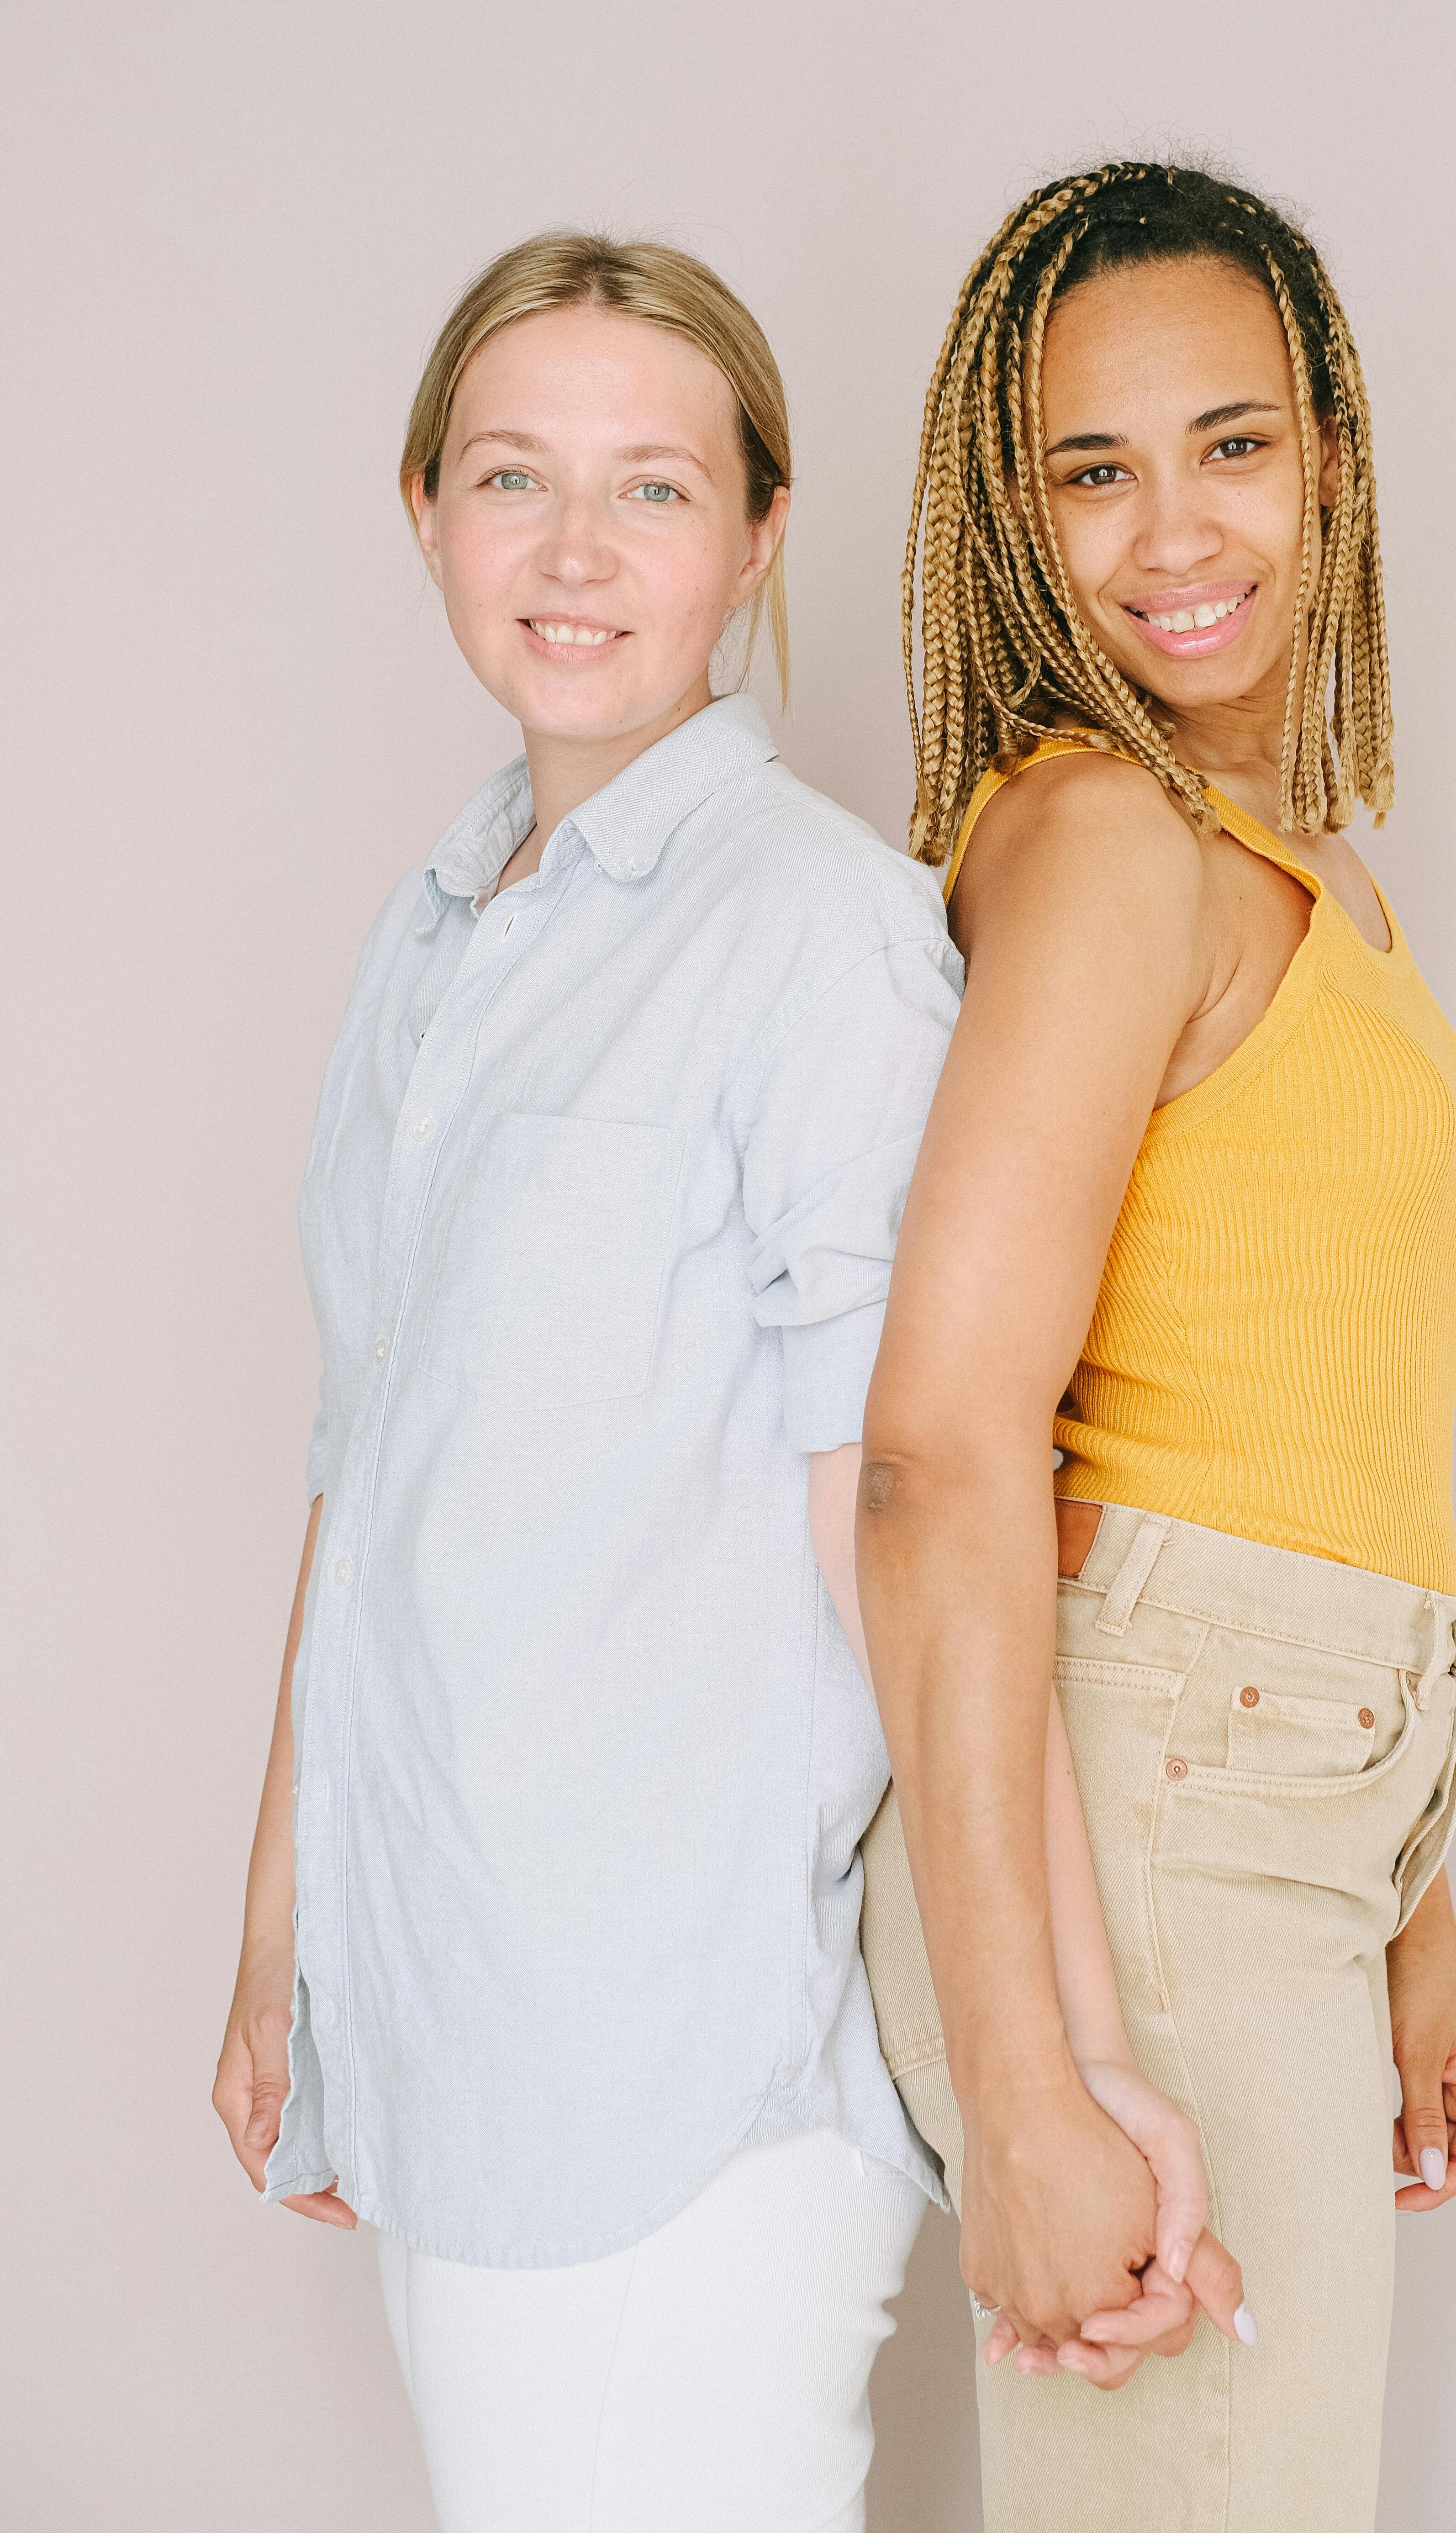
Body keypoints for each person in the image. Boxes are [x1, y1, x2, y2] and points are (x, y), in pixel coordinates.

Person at [210, 230, 975, 2532]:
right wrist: (286, 1932)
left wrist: (1038, 2052)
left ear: (758, 536)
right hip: (445, 1991)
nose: (572, 551)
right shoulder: (436, 932)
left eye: (653, 489)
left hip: (677, 2046)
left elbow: (910, 1506)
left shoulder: (816, 928)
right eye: (512, 474)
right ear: (423, 502)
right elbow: (371, 1467)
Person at [856, 160, 1456, 2530]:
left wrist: (1405, 1918)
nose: (1172, 533)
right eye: (1088, 468)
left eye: (1229, 443)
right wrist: (1033, 2091)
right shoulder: (1104, 846)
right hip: (1143, 1850)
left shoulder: (1294, 864)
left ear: (1327, 453)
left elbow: (1314, 1404)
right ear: (1008, 515)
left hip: (1278, 1840)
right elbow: (941, 1451)